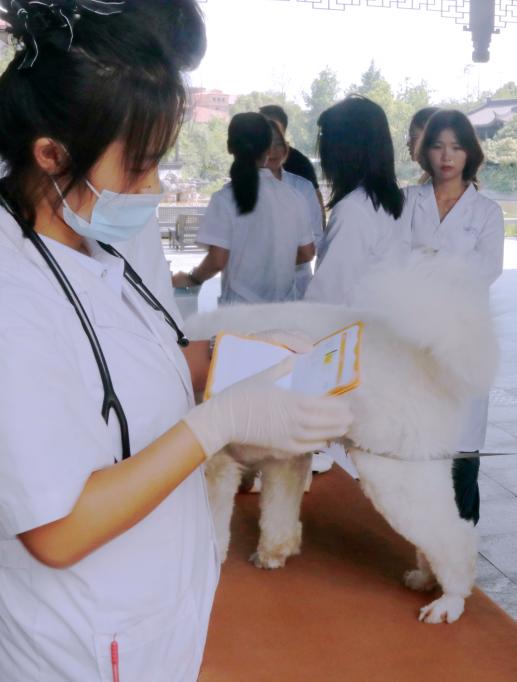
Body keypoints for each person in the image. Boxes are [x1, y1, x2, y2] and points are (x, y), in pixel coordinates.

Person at [0, 2, 352, 679]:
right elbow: (58, 530)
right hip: (84, 643)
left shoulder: (91, 243)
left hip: (153, 614)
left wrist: (239, 357)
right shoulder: (12, 295)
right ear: (51, 154)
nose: (155, 188)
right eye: (139, 165)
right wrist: (218, 422)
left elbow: (137, 358)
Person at [404, 110, 504, 524]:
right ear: (424, 151)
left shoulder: (486, 212)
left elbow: (487, 270)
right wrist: (441, 266)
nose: (447, 156)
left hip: (463, 338)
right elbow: (392, 260)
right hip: (413, 336)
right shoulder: (407, 201)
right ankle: (416, 539)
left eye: (457, 147)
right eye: (438, 146)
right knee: (415, 445)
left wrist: (427, 263)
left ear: (470, 154)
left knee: (461, 449)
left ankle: (462, 536)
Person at [172, 113, 315, 304]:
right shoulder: (294, 197)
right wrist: (272, 262)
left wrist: (192, 278)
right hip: (283, 311)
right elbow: (307, 253)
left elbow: (217, 260)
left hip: (239, 313)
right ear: (268, 148)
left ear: (229, 147)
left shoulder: (225, 199)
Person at [304, 96, 409, 304]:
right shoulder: (392, 202)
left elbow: (326, 298)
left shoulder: (353, 210)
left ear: (343, 148)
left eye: (324, 138)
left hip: (353, 322)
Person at [263, 116, 324, 297]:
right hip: (250, 291)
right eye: (265, 144)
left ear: (287, 148)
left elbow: (316, 239)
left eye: (278, 143)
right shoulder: (236, 191)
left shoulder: (302, 188)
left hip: (297, 288)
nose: (273, 150)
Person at [258, 104, 322, 199]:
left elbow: (316, 202)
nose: (272, 150)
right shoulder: (247, 161)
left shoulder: (301, 164)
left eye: (274, 127)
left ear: (283, 130)